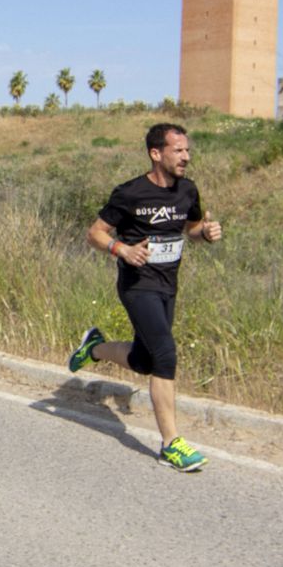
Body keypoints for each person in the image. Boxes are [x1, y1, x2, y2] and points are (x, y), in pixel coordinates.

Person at [68, 122, 223, 472]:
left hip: (169, 285)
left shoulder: (188, 191)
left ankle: (93, 348)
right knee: (165, 354)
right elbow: (94, 234)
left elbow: (191, 228)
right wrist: (120, 249)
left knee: (143, 361)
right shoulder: (130, 193)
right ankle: (171, 445)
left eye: (187, 150)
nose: (186, 157)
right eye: (178, 150)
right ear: (157, 154)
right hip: (137, 286)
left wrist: (207, 233)